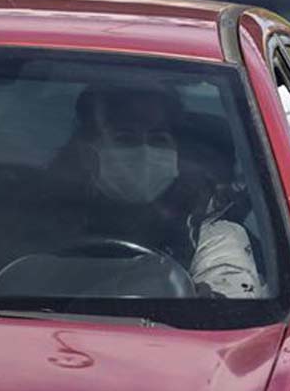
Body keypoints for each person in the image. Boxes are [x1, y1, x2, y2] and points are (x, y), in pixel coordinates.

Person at [54, 84, 266, 299]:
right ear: (88, 151)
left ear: (176, 151)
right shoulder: (46, 214)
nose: (145, 153)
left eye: (158, 139)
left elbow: (227, 310)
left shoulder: (208, 229)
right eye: (125, 139)